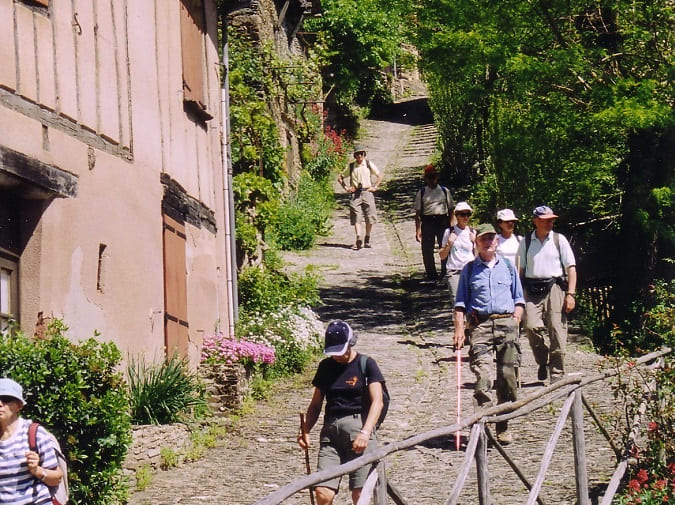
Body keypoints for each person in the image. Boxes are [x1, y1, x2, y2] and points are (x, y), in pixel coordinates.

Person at [298, 320, 385, 505]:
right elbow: (315, 405)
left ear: (350, 343)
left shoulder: (366, 364)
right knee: (322, 493)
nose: (336, 356)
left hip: (359, 431)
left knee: (360, 495)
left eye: (340, 351)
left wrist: (366, 432)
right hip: (331, 434)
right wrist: (305, 430)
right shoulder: (325, 367)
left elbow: (378, 402)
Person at [453, 224, 524, 445]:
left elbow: (519, 299)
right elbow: (460, 303)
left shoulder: (508, 267)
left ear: (497, 241)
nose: (488, 242)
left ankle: (503, 425)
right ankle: (481, 424)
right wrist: (459, 329)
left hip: (507, 325)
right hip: (481, 325)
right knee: (483, 376)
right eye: (483, 238)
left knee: (508, 378)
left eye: (492, 238)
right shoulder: (469, 270)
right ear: (477, 242)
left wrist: (516, 320)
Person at [517, 205, 577, 384]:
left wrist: (570, 294)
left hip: (554, 287)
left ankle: (557, 373)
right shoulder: (526, 241)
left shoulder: (560, 240)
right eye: (545, 220)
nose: (550, 223)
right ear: (536, 221)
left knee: (557, 330)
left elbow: (571, 268)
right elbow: (519, 270)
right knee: (530, 327)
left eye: (552, 220)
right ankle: (543, 360)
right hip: (531, 288)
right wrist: (517, 297)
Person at [0, 378, 64, 504]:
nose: (0, 403)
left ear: (19, 406)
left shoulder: (34, 433)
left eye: (6, 399)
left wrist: (37, 470)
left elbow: (57, 478)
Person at [414, 164, 455, 281]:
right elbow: (417, 214)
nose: (432, 180)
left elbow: (451, 209)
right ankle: (431, 275)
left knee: (446, 246)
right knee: (427, 249)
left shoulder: (444, 191)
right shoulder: (422, 193)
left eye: (433, 177)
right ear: (425, 179)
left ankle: (445, 272)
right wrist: (418, 230)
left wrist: (452, 225)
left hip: (442, 221)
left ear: (437, 177)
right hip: (428, 222)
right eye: (429, 177)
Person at [338, 147, 383, 250]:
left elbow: (379, 175)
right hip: (355, 194)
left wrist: (375, 187)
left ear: (364, 154)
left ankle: (367, 238)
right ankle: (358, 237)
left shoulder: (368, 164)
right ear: (355, 156)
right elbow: (340, 177)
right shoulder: (351, 166)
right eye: (357, 154)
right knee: (356, 216)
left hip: (367, 192)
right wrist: (346, 188)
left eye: (361, 154)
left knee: (370, 217)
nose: (359, 156)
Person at [439, 201, 476, 304]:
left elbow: (478, 255)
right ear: (456, 215)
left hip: (470, 270)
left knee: (471, 302)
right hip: (454, 270)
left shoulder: (473, 232)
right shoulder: (449, 231)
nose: (465, 217)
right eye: (462, 214)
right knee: (457, 302)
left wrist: (475, 242)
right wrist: (449, 243)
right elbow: (442, 255)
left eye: (468, 214)